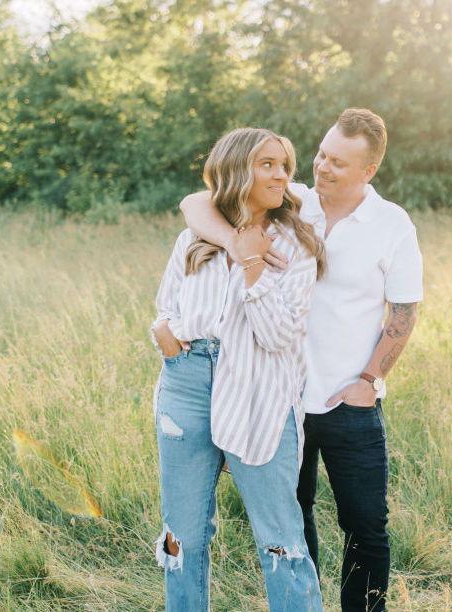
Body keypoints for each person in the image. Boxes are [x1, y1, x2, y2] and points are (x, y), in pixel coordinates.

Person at [181, 109, 423, 612]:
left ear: (369, 171)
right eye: (321, 154)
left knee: (366, 524)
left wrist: (369, 379)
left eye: (338, 162)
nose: (323, 167)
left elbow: (403, 310)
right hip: (280, 396)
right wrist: (235, 243)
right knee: (294, 518)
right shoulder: (292, 201)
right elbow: (195, 202)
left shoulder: (391, 224)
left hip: (347, 400)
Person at [151, 127, 326, 612]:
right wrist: (163, 333)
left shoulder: (296, 244)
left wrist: (253, 268)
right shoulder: (195, 238)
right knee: (183, 534)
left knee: (280, 537)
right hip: (186, 384)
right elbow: (167, 305)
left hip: (260, 388)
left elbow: (279, 336)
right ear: (235, 170)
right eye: (267, 164)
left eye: (285, 165)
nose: (281, 175)